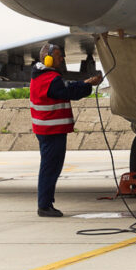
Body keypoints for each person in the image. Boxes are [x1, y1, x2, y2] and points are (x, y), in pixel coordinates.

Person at [30, 42, 103, 217]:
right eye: (58, 56)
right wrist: (88, 84)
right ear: (47, 59)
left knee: (49, 167)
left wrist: (84, 83)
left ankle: (46, 203)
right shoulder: (49, 79)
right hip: (51, 131)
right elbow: (69, 92)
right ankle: (44, 206)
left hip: (47, 130)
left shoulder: (41, 76)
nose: (62, 59)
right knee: (50, 168)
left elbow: (65, 87)